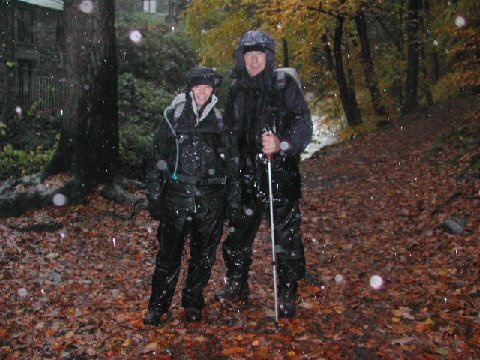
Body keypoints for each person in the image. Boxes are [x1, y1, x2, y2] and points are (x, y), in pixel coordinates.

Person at [215, 30, 312, 318]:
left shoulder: (285, 85)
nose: (254, 60)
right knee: (238, 234)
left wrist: (283, 144)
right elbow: (229, 130)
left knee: (285, 237)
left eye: (259, 55)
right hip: (245, 174)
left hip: (279, 173)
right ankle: (236, 283)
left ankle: (286, 292)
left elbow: (303, 123)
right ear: (241, 58)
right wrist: (228, 161)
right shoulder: (236, 90)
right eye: (248, 55)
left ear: (268, 57)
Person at [144, 66, 240, 325]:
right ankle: (158, 306)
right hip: (176, 197)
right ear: (190, 88)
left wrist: (232, 199)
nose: (202, 92)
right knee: (168, 256)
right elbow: (157, 157)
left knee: (203, 257)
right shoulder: (172, 117)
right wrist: (154, 193)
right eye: (198, 86)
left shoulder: (221, 121)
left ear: (213, 91)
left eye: (207, 87)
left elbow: (233, 164)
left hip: (211, 200)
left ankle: (193, 302)